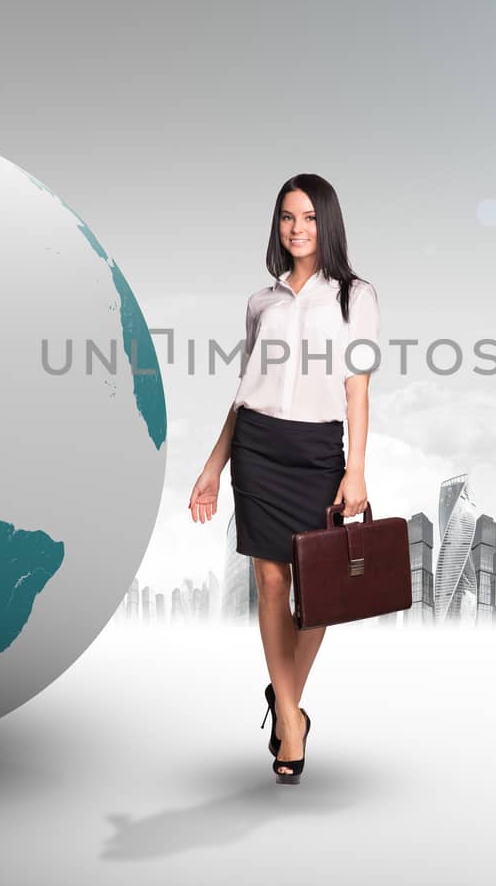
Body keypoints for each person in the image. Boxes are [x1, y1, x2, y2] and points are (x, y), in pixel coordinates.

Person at [187, 173, 380, 785]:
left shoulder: (356, 296)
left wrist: (356, 469)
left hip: (320, 448)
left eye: (309, 218)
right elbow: (244, 391)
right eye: (287, 218)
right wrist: (214, 465)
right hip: (258, 449)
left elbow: (358, 389)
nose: (297, 229)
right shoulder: (260, 303)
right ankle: (292, 721)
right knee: (270, 581)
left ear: (329, 223)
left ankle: (284, 698)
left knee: (318, 589)